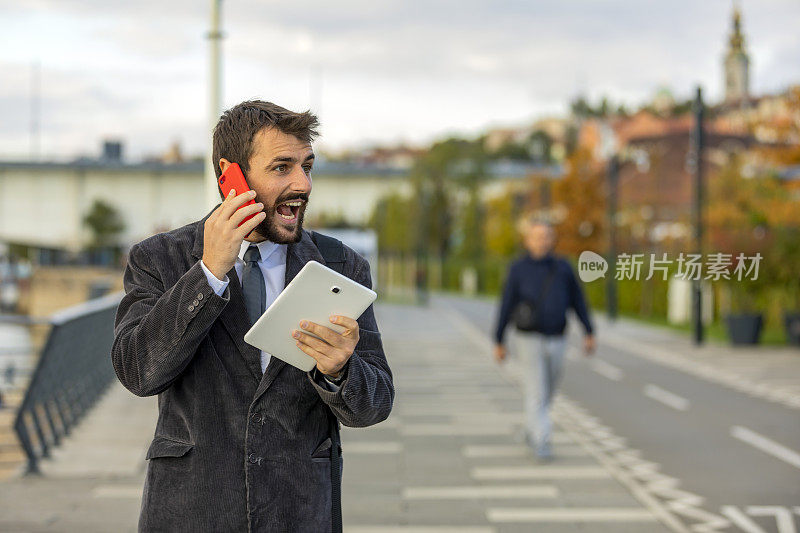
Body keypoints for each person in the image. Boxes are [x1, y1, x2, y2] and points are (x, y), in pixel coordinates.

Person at [111, 100, 394, 532]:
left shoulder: (342, 266)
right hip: (192, 510)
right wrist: (207, 273)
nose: (303, 184)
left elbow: (374, 405)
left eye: (307, 166)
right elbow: (138, 371)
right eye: (282, 167)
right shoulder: (160, 258)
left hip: (299, 511)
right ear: (231, 176)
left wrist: (341, 371)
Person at [493, 217, 595, 461]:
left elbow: (577, 300)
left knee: (548, 390)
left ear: (552, 239)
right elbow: (506, 304)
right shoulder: (518, 269)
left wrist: (588, 330)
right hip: (529, 339)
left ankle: (531, 428)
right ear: (528, 240)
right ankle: (542, 441)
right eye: (537, 236)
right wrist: (499, 339)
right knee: (537, 391)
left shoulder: (563, 268)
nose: (542, 241)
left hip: (558, 338)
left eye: (547, 236)